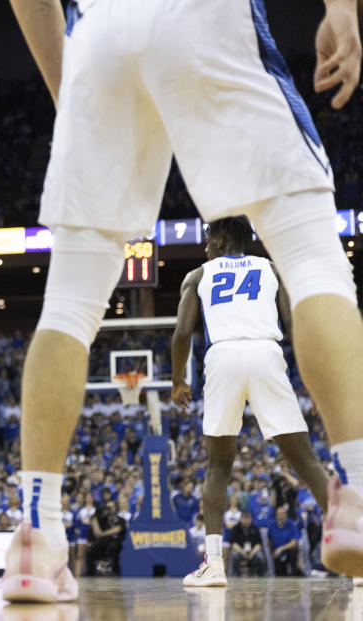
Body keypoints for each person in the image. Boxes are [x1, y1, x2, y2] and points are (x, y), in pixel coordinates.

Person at [4, 0, 363, 603]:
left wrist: (74, 86)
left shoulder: (201, 279)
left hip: (96, 31)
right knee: (311, 260)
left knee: (66, 307)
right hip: (204, 16)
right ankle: (353, 489)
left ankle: (37, 537)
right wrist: (344, 12)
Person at [173, 216, 333, 587]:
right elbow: (294, 326)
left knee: (217, 467)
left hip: (224, 355)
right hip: (266, 351)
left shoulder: (198, 275)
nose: (205, 246)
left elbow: (183, 333)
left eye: (209, 237)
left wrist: (178, 379)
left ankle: (214, 565)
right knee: (306, 461)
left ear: (223, 237)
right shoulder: (273, 269)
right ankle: (355, 546)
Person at [228, 512, 267, 577]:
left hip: (253, 551)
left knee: (260, 557)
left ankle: (262, 576)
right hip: (240, 551)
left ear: (251, 519)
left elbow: (258, 544)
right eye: (244, 518)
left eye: (248, 518)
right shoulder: (236, 528)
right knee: (234, 555)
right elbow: (233, 543)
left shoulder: (255, 528)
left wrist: (251, 553)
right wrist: (243, 552)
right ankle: (236, 576)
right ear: (240, 519)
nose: (246, 520)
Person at [268, 505, 301, 576]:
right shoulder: (272, 525)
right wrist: (271, 552)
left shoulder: (292, 524)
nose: (280, 516)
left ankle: (294, 572)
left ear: (286, 514)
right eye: (278, 514)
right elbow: (269, 541)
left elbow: (294, 542)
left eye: (282, 514)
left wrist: (281, 548)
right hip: (276, 554)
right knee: (280, 574)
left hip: (288, 553)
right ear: (276, 515)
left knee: (294, 549)